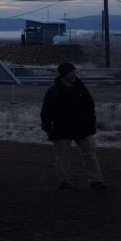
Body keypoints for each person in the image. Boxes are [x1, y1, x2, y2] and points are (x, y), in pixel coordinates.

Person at [41, 62, 106, 190]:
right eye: (72, 72)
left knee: (89, 154)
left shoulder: (80, 88)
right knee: (63, 156)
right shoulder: (54, 91)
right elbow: (46, 111)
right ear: (64, 75)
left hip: (82, 127)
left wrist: (91, 124)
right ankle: (66, 181)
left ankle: (96, 180)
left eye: (74, 72)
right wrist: (48, 129)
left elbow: (90, 107)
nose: (74, 74)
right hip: (63, 127)